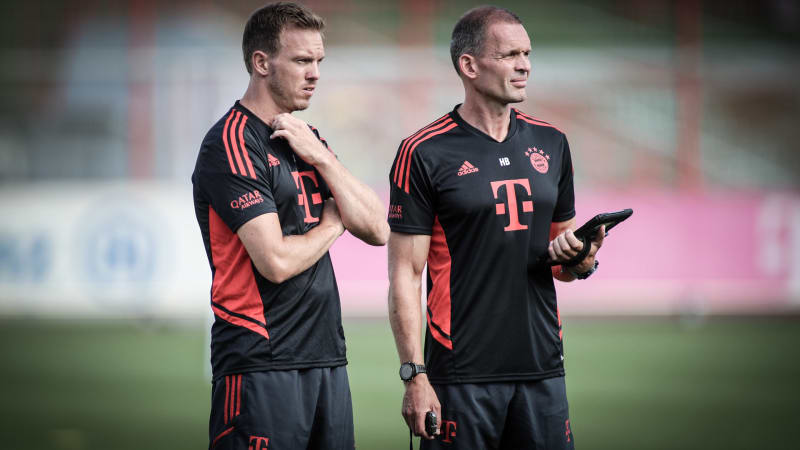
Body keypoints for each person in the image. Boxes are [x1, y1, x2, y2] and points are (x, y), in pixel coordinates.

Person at [387, 6, 605, 449]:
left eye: (527, 53)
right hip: (461, 374)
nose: (525, 65)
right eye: (510, 55)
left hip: (543, 368)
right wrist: (415, 375)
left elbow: (563, 265)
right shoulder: (422, 152)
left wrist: (583, 258)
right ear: (469, 65)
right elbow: (405, 275)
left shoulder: (552, 143)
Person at [192, 3, 389, 449]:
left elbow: (378, 228)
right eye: (302, 61)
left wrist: (321, 157)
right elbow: (275, 261)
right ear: (262, 63)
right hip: (261, 363)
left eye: (319, 61)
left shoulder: (306, 138)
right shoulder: (231, 143)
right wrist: (333, 227)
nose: (315, 73)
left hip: (326, 359)